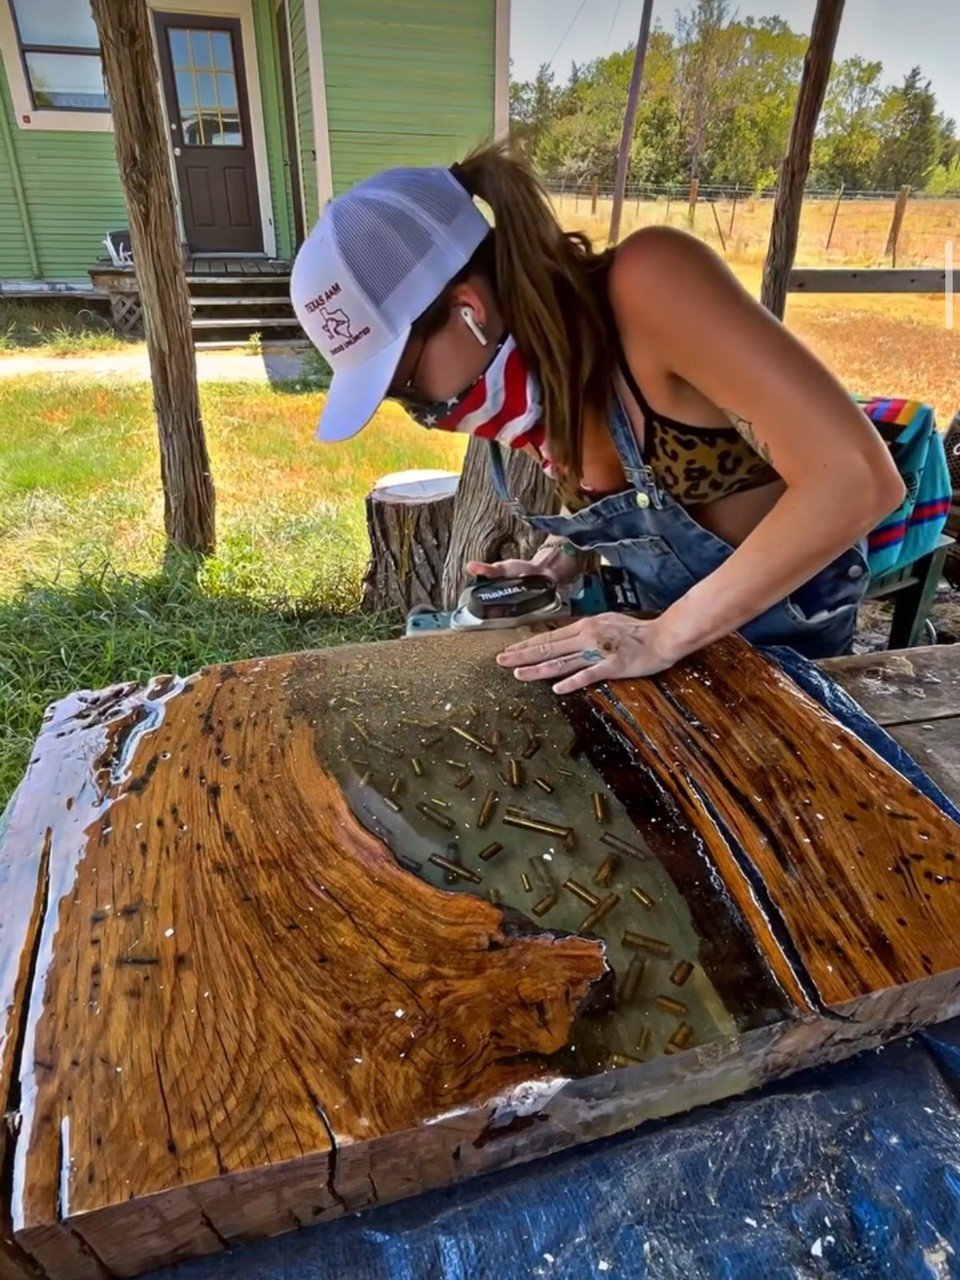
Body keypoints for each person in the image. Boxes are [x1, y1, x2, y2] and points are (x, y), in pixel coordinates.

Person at [290, 145, 904, 694]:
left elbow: (856, 481)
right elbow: (636, 505)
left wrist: (666, 637)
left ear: (469, 311)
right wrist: (561, 558)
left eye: (406, 385)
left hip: (785, 653)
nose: (425, 414)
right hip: (666, 642)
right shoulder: (537, 375)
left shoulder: (651, 285)